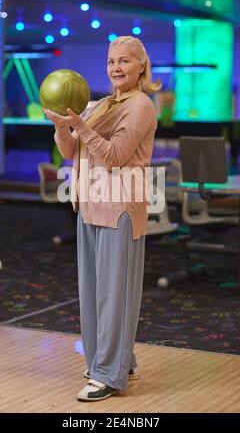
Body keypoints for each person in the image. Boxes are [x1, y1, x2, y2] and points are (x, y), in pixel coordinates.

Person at [44, 35, 162, 402]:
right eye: (111, 61)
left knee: (114, 294)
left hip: (121, 207)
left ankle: (108, 374)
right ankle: (112, 360)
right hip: (90, 203)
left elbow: (114, 155)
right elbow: (70, 152)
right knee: (94, 293)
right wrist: (64, 127)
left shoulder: (141, 105)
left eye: (124, 61)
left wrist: (81, 126)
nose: (115, 68)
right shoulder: (100, 104)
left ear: (141, 65)